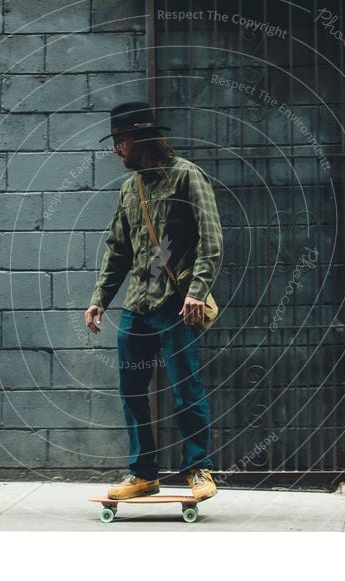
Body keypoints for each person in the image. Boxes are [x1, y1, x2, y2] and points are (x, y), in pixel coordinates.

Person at [85, 101, 223, 501]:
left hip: (175, 304)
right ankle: (143, 474)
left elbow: (210, 239)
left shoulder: (186, 177)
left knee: (185, 388)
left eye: (121, 140)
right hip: (137, 305)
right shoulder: (131, 188)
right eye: (115, 141)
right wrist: (100, 300)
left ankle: (199, 470)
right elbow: (117, 251)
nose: (116, 149)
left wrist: (197, 290)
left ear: (141, 139)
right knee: (131, 388)